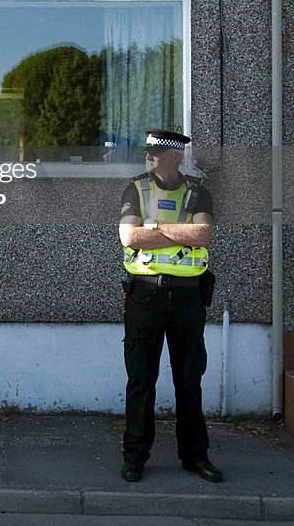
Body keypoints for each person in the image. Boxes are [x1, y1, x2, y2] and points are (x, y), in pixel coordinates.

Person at [118, 128, 222, 484]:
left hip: (187, 298)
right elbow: (130, 236)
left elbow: (203, 234)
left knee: (189, 380)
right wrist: (178, 231)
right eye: (147, 152)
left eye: (156, 152)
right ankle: (134, 457)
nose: (148, 157)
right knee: (141, 379)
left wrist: (156, 228)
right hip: (145, 296)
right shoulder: (136, 188)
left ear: (175, 157)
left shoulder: (198, 192)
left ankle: (195, 457)